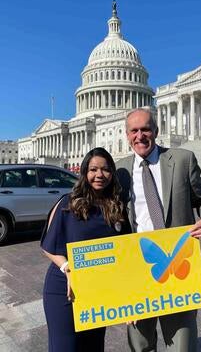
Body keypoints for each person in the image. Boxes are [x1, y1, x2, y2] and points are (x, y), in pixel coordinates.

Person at [116, 108, 201, 352]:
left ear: (156, 132)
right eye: (134, 131)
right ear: (126, 134)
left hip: (178, 265)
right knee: (140, 345)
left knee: (181, 345)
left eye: (145, 129)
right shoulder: (119, 170)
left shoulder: (183, 159)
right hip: (137, 267)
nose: (140, 136)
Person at [41, 147, 130, 352]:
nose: (99, 175)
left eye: (106, 169)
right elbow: (48, 246)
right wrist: (67, 268)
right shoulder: (68, 202)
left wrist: (129, 299)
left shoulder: (117, 207)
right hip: (65, 287)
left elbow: (125, 254)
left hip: (98, 290)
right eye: (93, 170)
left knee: (93, 347)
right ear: (84, 173)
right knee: (65, 347)